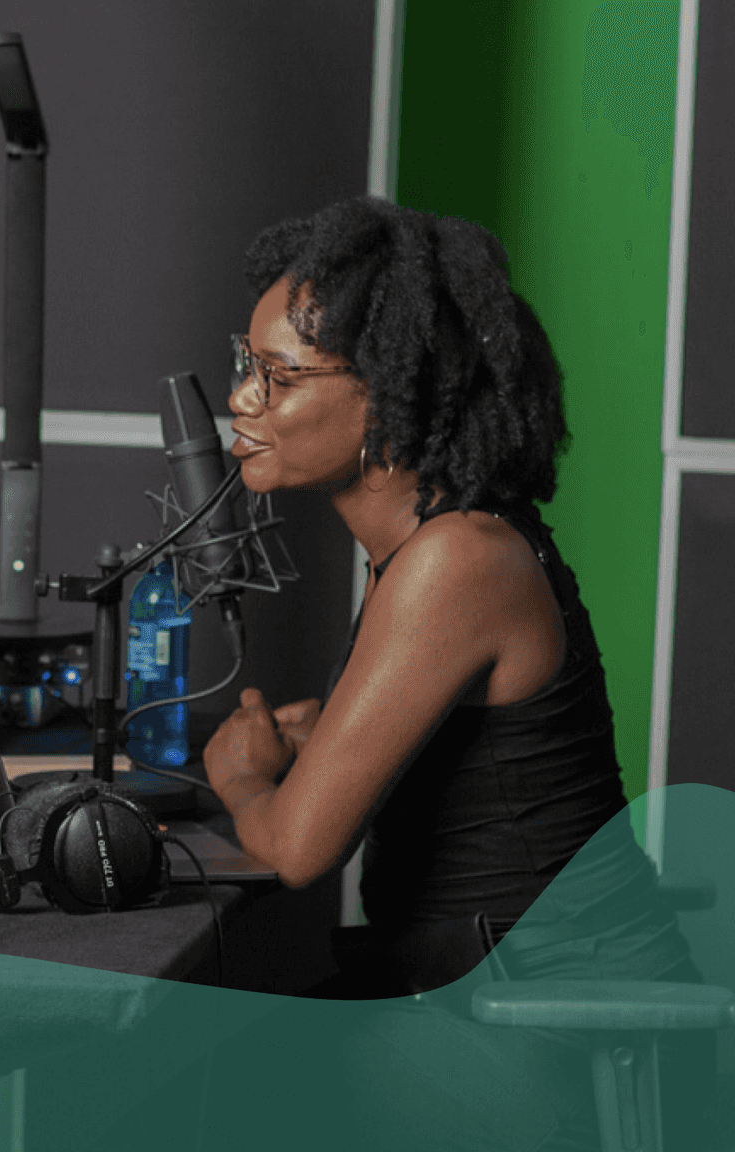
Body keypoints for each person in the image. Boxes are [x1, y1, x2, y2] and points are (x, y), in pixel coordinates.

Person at [188, 196, 704, 1149]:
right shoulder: (434, 544)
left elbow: (298, 851)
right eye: (244, 364)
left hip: (555, 1035)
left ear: (390, 394)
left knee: (201, 1085)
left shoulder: (454, 562)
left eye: (279, 376)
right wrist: (329, 734)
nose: (243, 400)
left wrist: (244, 776)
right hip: (485, 1001)